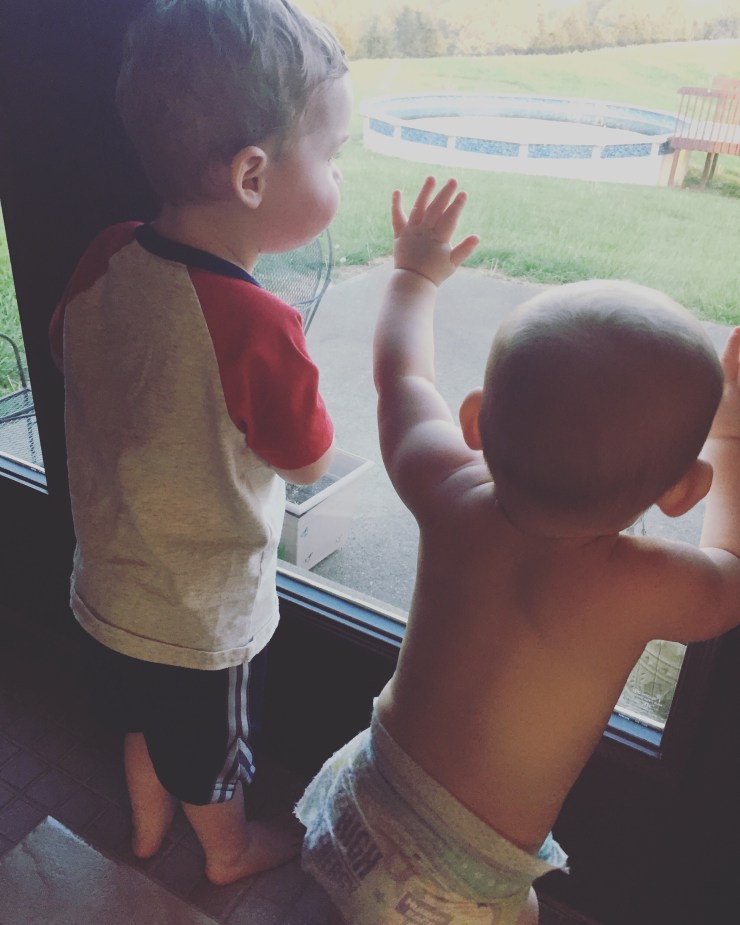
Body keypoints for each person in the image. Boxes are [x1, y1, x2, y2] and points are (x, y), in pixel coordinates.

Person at [295, 176, 740, 925]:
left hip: (370, 791)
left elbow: (400, 377)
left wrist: (413, 274)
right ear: (683, 491)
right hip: (463, 877)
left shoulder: (448, 488)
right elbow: (729, 572)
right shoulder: (637, 584)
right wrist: (729, 432)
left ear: (475, 420)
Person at [48, 0, 351, 886]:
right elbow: (308, 461)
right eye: (332, 154)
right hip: (199, 620)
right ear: (252, 175)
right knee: (209, 756)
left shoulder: (107, 251)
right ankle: (228, 852)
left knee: (141, 721)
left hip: (106, 586)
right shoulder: (257, 325)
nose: (339, 174)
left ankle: (146, 833)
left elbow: (64, 345)